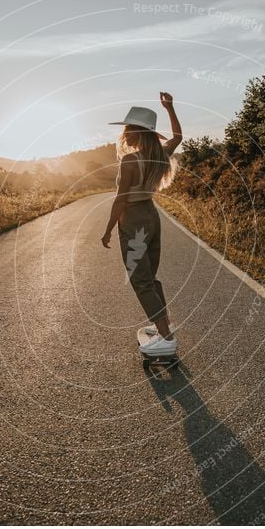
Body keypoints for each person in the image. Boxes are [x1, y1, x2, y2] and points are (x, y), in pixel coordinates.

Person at [101, 92, 182, 357]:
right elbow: (178, 137)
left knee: (141, 280)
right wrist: (170, 108)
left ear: (136, 131)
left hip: (134, 219)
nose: (124, 133)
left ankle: (167, 339)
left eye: (127, 128)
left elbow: (121, 199)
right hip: (152, 215)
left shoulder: (129, 161)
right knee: (151, 277)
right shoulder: (159, 154)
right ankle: (164, 325)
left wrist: (108, 229)